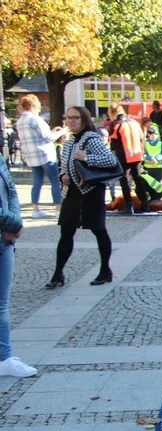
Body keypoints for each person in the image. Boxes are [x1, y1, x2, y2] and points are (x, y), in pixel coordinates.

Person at [49, 106, 118, 289]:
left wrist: (87, 157)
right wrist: (62, 177)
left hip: (91, 193)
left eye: (75, 117)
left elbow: (111, 161)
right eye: (68, 117)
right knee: (66, 233)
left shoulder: (92, 139)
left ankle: (105, 270)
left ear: (84, 119)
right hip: (72, 193)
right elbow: (63, 167)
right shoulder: (69, 141)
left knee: (99, 230)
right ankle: (58, 273)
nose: (71, 121)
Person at [0, 155, 37, 377]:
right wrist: (13, 222)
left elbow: (11, 190)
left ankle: (5, 358)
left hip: (5, 239)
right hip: (6, 230)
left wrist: (16, 220)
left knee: (2, 304)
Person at [15, 94, 67, 219]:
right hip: (45, 154)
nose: (39, 109)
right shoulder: (35, 119)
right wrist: (63, 131)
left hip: (31, 155)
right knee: (55, 180)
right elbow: (48, 137)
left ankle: (35, 209)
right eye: (38, 107)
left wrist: (52, 131)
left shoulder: (20, 121)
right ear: (33, 106)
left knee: (37, 181)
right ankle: (58, 209)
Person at [108, 103, 145, 215]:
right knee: (138, 179)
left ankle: (128, 207)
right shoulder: (135, 123)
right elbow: (142, 138)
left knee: (124, 181)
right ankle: (145, 205)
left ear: (113, 112)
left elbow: (113, 143)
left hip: (123, 155)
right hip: (137, 154)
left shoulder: (116, 125)